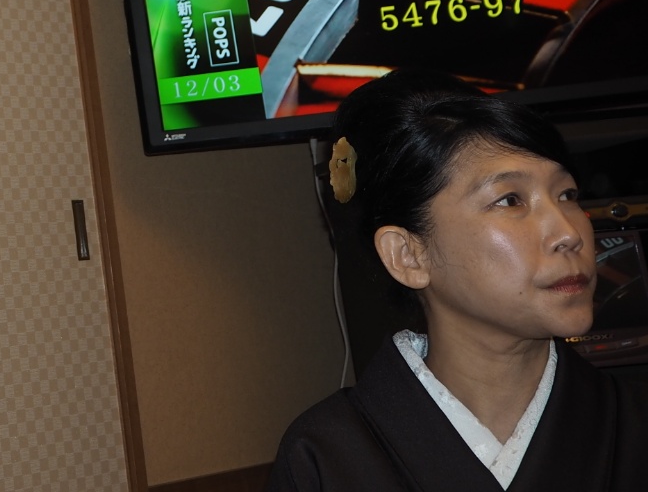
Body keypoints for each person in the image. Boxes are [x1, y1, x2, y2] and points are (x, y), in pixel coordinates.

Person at [267, 71, 648, 491]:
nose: (569, 233)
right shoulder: (324, 458)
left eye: (567, 195)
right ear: (408, 255)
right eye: (510, 200)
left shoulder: (631, 423)